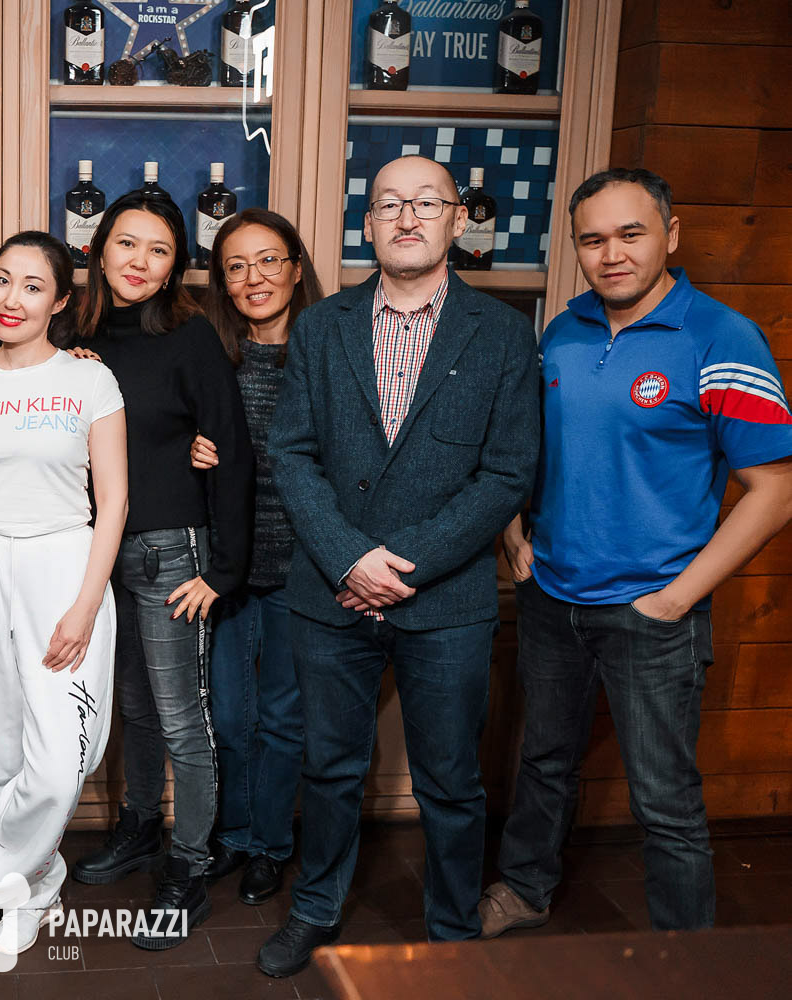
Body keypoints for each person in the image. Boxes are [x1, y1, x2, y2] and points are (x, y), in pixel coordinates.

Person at [481, 168, 792, 938]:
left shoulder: (721, 338)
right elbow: (525, 446)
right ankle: (524, 891)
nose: (611, 254)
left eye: (631, 233)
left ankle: (684, 958)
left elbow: (776, 491)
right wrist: (513, 534)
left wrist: (678, 598)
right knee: (543, 763)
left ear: (670, 235)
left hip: (652, 612)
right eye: (592, 239)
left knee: (665, 800)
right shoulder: (564, 332)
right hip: (553, 596)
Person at [258, 155, 539, 976]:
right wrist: (350, 557)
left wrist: (403, 565)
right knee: (329, 767)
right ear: (369, 225)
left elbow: (507, 473)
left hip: (445, 600)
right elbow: (292, 454)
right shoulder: (322, 327)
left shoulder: (502, 334)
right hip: (329, 592)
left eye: (426, 202)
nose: (407, 217)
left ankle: (452, 929)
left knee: (450, 779)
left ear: (457, 220)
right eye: (389, 205)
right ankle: (315, 907)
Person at [0, 229, 128, 952]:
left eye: (33, 286)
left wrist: (85, 603)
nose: (12, 298)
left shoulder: (90, 381)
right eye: (2, 280)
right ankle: (29, 884)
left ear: (61, 301)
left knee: (63, 757)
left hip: (62, 565)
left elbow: (114, 501)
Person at [68, 190, 254, 951]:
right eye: (127, 243)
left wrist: (225, 571)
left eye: (158, 250)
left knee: (182, 719)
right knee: (135, 711)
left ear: (176, 265)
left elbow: (231, 448)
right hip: (92, 557)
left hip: (171, 553)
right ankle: (140, 827)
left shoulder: (190, 338)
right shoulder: (68, 336)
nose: (139, 261)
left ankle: (189, 865)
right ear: (99, 248)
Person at [189, 208, 324, 907]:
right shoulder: (215, 357)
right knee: (230, 718)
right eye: (236, 266)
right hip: (230, 570)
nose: (254, 278)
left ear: (296, 269)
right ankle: (235, 835)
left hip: (305, 570)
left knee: (282, 720)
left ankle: (271, 844)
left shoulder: (327, 355)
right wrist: (190, 451)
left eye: (269, 260)